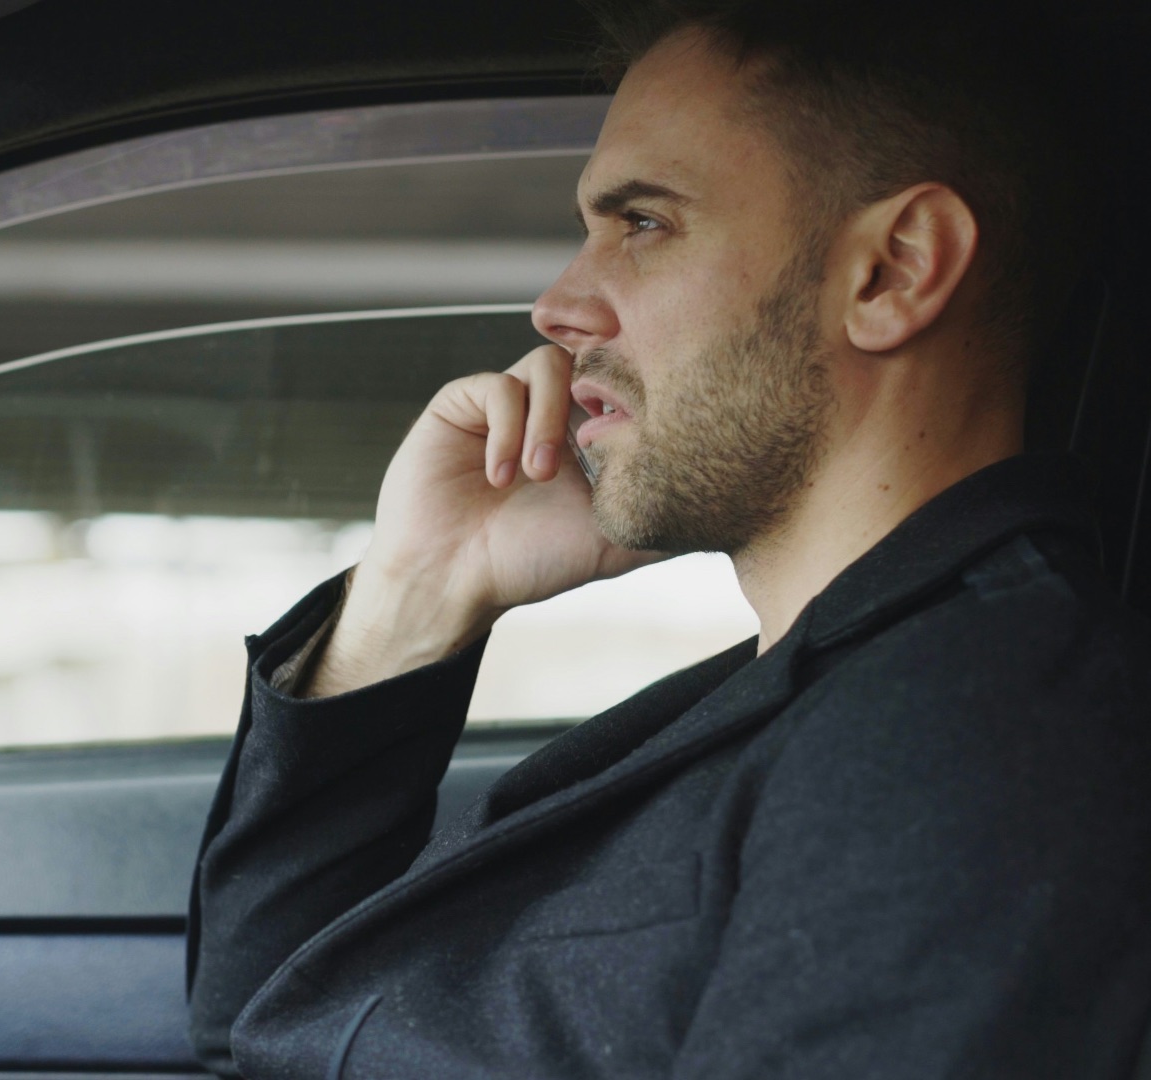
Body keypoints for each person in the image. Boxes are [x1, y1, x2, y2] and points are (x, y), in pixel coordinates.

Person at [185, 0, 1151, 1076]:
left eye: (643, 224)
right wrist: (418, 593)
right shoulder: (823, 687)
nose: (557, 306)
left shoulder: (967, 737)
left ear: (895, 270)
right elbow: (258, 1024)